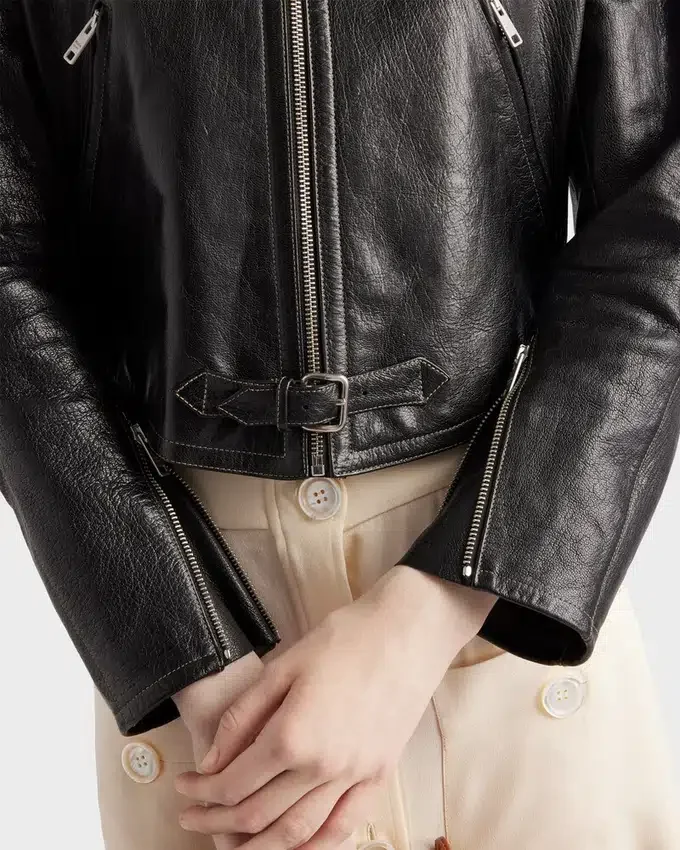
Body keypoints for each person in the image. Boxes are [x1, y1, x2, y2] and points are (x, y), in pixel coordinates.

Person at [1, 1, 679, 848]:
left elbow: (660, 225)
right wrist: (191, 657)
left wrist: (431, 611)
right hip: (194, 624)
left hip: (501, 593)